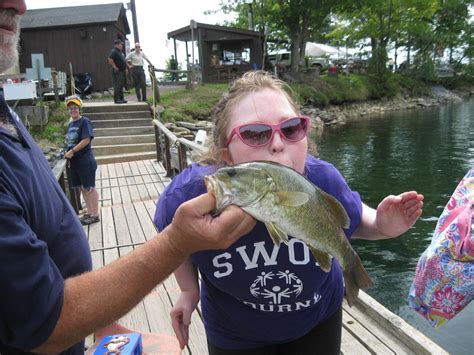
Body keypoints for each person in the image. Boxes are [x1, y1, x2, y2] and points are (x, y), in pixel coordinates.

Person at [0, 1, 256, 354]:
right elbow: (40, 323)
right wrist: (176, 243)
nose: (19, 5)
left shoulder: (5, 112)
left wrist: (102, 324)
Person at [154, 71, 424, 354]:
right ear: (226, 154)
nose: (278, 142)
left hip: (316, 321)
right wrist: (188, 290)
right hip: (234, 332)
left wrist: (382, 224)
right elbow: (174, 240)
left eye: (291, 128)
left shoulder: (322, 180)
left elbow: (352, 221)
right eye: (255, 133)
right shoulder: (186, 197)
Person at [64, 95, 100, 225]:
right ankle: (89, 212)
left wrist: (72, 151)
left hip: (85, 160)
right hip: (75, 162)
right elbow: (70, 141)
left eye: (75, 107)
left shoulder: (84, 121)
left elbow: (86, 140)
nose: (73, 110)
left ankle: (95, 214)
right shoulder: (70, 124)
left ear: (79, 108)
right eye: (70, 108)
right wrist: (67, 151)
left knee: (90, 187)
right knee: (83, 188)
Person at [107, 39, 128, 104]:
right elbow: (109, 59)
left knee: (121, 85)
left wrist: (126, 68)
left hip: (121, 71)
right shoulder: (114, 51)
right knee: (117, 85)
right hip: (117, 71)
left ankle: (121, 98)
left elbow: (124, 61)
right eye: (120, 44)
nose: (121, 45)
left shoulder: (120, 52)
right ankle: (117, 99)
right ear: (116, 45)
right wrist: (115, 67)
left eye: (121, 44)